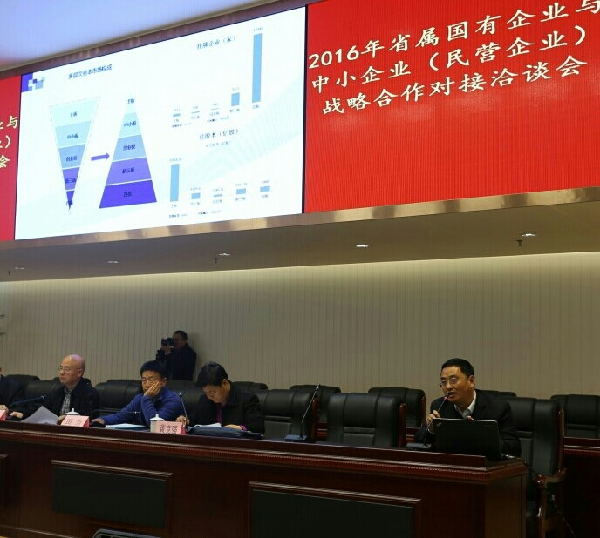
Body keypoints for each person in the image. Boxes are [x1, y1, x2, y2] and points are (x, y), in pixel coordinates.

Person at [414, 358, 521, 457]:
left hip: (484, 466)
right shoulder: (439, 405)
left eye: (453, 380)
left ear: (471, 381)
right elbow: (417, 442)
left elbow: (514, 448)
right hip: (452, 466)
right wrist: (431, 430)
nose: (448, 387)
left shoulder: (497, 407)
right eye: (444, 382)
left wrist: (481, 437)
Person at [92, 360, 183, 427]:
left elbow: (155, 425)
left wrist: (146, 398)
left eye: (151, 379)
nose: (147, 384)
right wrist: (102, 420)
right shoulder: (139, 398)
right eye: (144, 380)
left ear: (163, 382)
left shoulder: (173, 400)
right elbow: (122, 415)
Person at [179, 361, 264, 433]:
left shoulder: (247, 399)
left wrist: (239, 428)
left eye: (212, 392)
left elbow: (258, 427)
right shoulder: (204, 400)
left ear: (224, 383)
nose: (209, 397)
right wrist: (185, 420)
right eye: (206, 392)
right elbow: (194, 419)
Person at [10, 354, 99, 422]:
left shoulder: (90, 394)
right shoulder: (57, 392)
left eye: (67, 369)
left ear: (79, 373)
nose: (61, 372)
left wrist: (68, 418)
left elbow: (88, 417)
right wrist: (24, 414)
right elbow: (43, 411)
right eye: (60, 368)